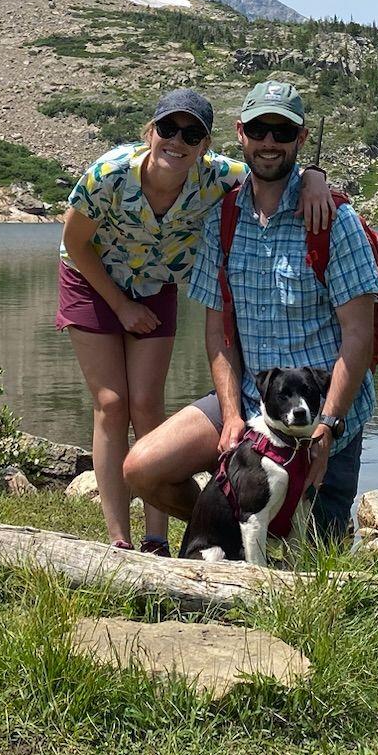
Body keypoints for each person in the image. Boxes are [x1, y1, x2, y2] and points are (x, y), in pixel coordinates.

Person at [58, 89, 333, 552]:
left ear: (206, 145)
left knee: (147, 403)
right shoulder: (109, 174)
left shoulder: (217, 176)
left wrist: (315, 178)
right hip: (90, 277)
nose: (177, 141)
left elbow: (274, 165)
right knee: (111, 402)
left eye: (192, 134)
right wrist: (121, 306)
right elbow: (75, 241)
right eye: (168, 128)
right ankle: (119, 540)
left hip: (154, 283)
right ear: (151, 132)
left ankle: (156, 538)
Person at [123, 79, 378, 548]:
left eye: (283, 132)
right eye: (259, 129)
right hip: (249, 407)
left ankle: (260, 533)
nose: (269, 142)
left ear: (301, 139)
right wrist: (230, 415)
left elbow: (358, 336)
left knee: (315, 557)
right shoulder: (223, 219)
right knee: (142, 468)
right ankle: (232, 524)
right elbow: (218, 333)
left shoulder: (334, 221)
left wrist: (327, 425)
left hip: (323, 423)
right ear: (240, 133)